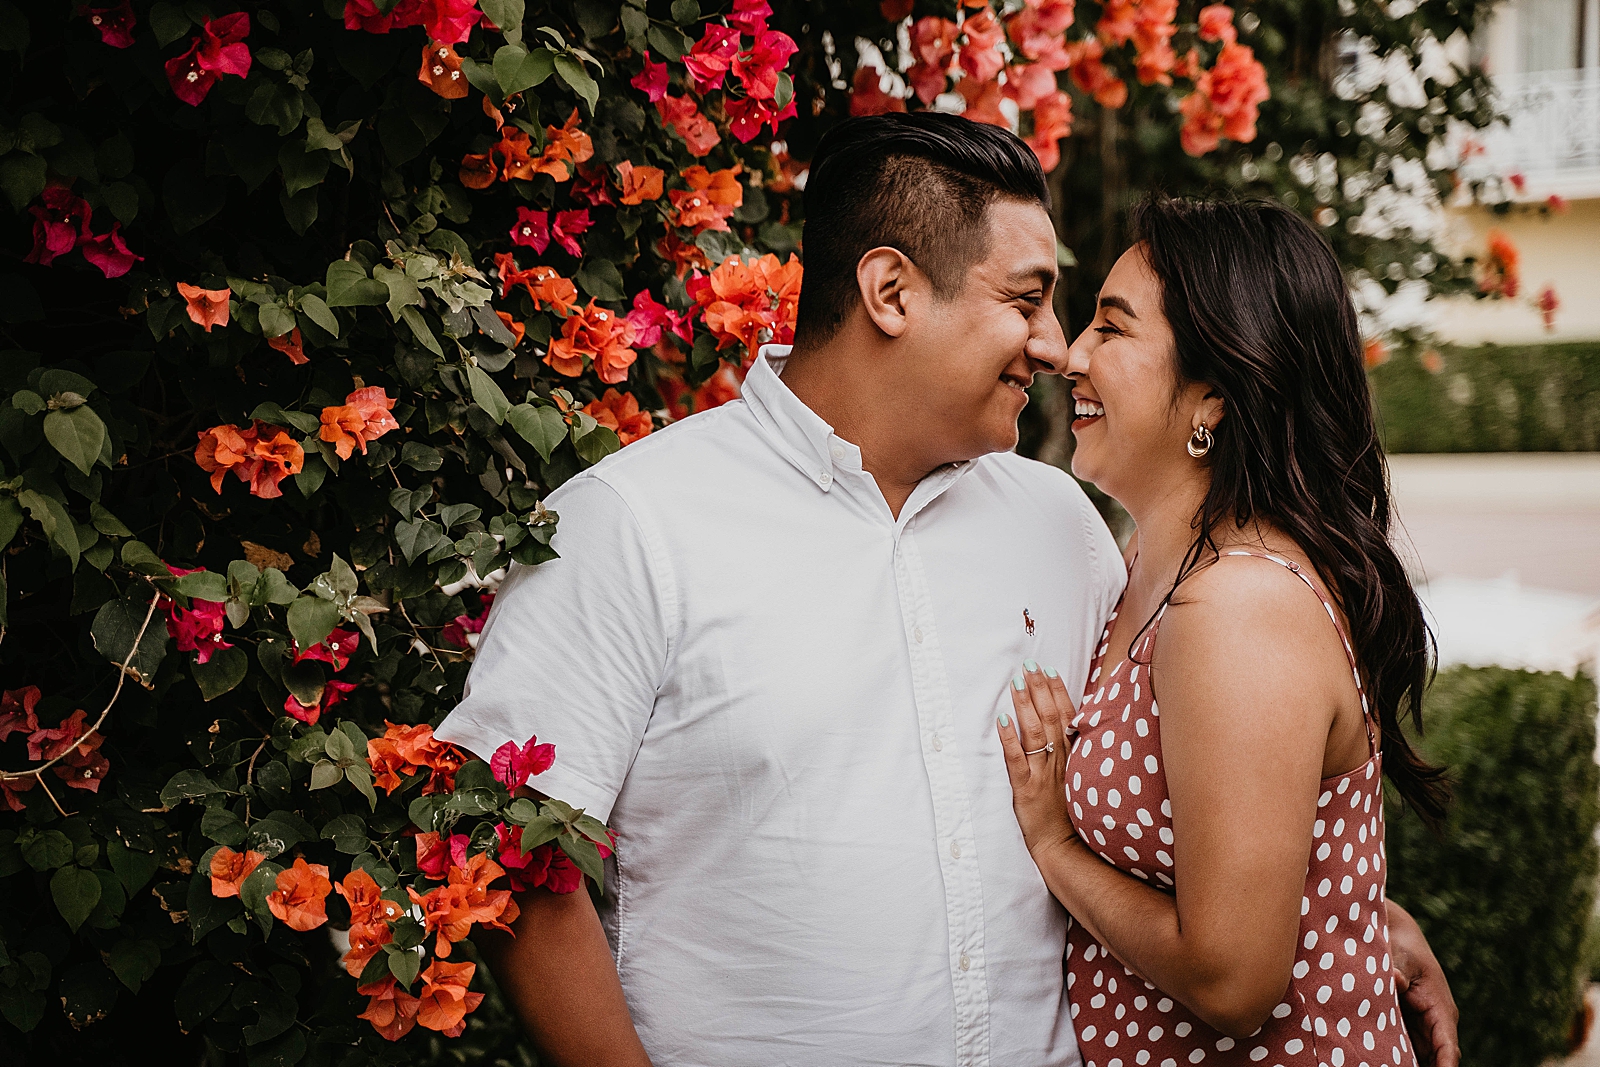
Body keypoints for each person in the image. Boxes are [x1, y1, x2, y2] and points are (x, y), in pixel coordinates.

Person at [437, 115, 1458, 1067]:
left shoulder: (1065, 527)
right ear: (890, 292)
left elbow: (1195, 788)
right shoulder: (634, 522)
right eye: (1025, 299)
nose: (1056, 346)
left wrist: (1348, 916)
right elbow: (512, 858)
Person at [999, 195, 1456, 1067]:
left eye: (1113, 328)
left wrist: (1055, 845)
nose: (1072, 354)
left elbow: (1233, 981)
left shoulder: (1235, 607)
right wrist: (1366, 916)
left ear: (1211, 394)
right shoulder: (1148, 562)